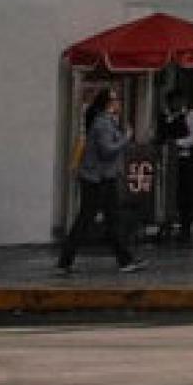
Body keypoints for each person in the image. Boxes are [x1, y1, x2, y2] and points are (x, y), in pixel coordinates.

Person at [57, 86, 140, 272]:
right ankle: (65, 260)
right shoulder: (102, 124)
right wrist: (126, 139)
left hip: (104, 177)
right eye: (116, 100)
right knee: (87, 218)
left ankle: (125, 259)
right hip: (96, 179)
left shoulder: (107, 122)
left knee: (111, 218)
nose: (119, 103)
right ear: (108, 104)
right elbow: (107, 150)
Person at [159, 90, 193, 244]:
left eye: (175, 102)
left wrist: (179, 143)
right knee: (168, 194)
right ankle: (166, 226)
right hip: (169, 161)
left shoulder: (191, 116)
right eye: (170, 102)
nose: (173, 105)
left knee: (185, 195)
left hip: (186, 161)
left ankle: (185, 229)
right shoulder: (167, 117)